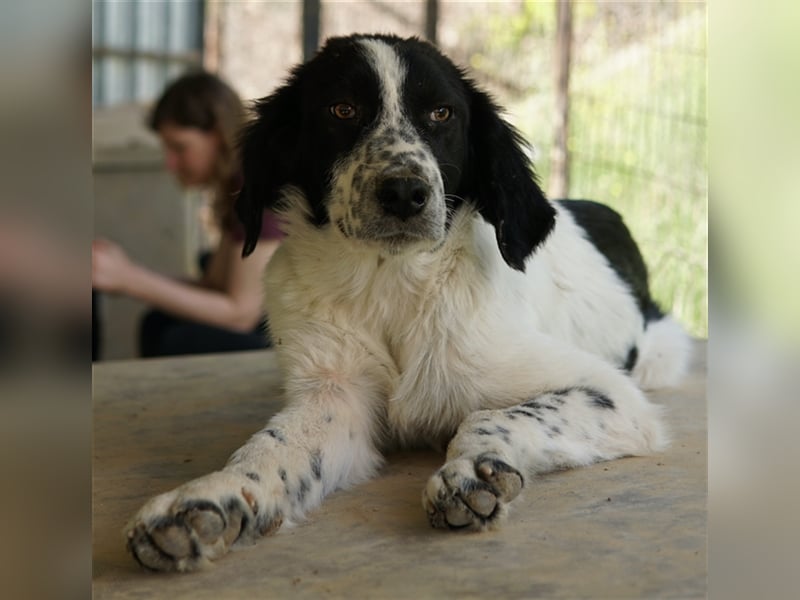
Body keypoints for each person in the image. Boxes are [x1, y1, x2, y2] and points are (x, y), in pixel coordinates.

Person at [92, 71, 282, 358]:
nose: (170, 163)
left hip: (300, 341)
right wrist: (123, 272)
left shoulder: (258, 184)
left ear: (218, 135)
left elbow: (241, 314)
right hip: (269, 322)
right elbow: (215, 287)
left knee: (180, 340)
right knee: (158, 322)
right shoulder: (235, 185)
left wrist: (129, 278)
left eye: (180, 147)